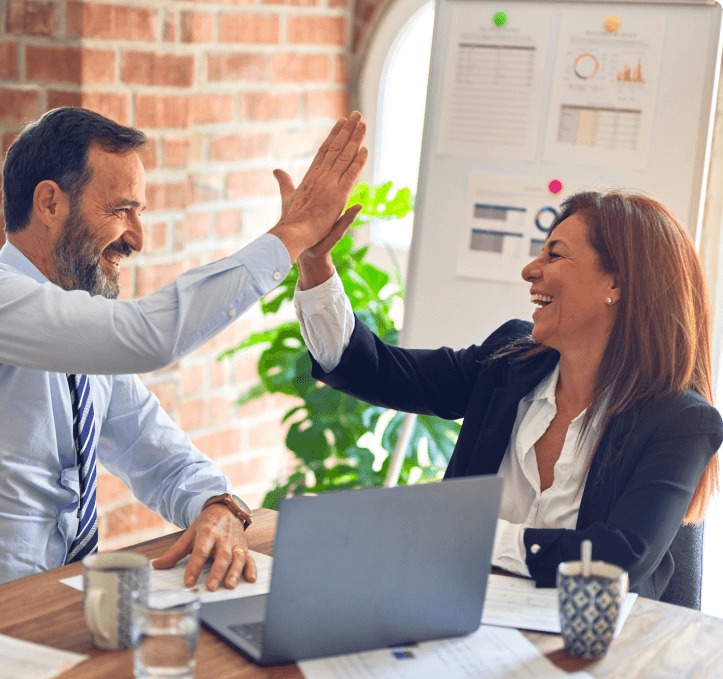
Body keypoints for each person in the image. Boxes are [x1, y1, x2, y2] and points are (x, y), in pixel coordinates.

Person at [0, 106, 367, 589]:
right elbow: (149, 336)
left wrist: (217, 505)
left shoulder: (84, 341)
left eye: (139, 212)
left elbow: (158, 454)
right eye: (120, 209)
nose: (137, 238)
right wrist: (290, 236)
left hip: (62, 604)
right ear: (49, 203)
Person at [289, 189, 723, 600]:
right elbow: (378, 371)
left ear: (617, 284)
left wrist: (468, 533)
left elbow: (616, 559)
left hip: (595, 653)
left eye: (554, 254)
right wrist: (314, 262)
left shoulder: (680, 421)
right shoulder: (509, 361)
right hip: (459, 617)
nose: (530, 270)